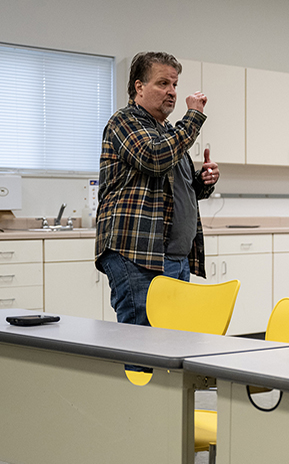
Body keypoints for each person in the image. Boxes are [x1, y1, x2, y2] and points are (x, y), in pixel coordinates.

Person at [95, 51, 219, 327]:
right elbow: (154, 158)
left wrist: (202, 181)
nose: (172, 92)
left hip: (175, 257)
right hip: (138, 255)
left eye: (174, 85)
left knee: (171, 342)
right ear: (139, 86)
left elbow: (175, 190)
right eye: (163, 84)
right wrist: (194, 117)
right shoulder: (125, 122)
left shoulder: (167, 132)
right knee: (142, 342)